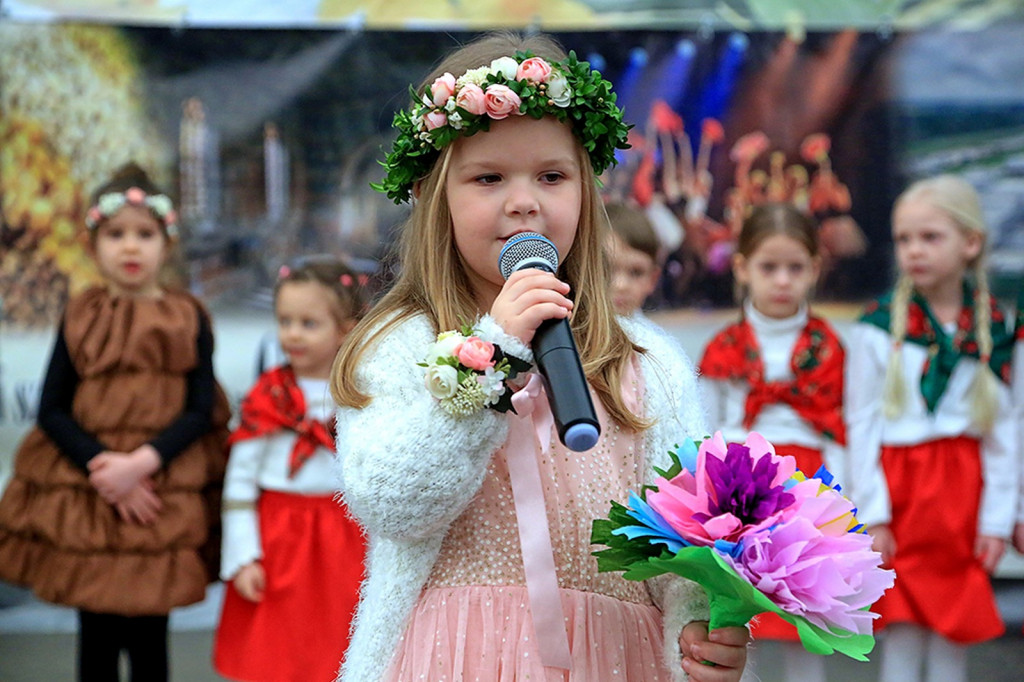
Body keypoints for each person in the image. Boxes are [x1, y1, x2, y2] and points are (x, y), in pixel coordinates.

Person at [330, 32, 750, 682]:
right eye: (489, 177)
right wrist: (491, 355)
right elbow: (392, 503)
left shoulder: (643, 361)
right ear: (433, 194)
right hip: (453, 657)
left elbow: (682, 543)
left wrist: (697, 632)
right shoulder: (401, 343)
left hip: (613, 660)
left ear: (587, 192)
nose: (524, 200)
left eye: (551, 177)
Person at [0, 162, 230, 681]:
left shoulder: (187, 315)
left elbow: (200, 410)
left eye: (144, 235)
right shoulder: (81, 313)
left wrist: (142, 465)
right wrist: (106, 470)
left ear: (166, 244)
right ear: (94, 244)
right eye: (116, 235)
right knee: (97, 636)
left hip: (159, 496)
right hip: (93, 497)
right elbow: (52, 408)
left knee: (150, 640)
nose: (130, 247)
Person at [846, 175, 1017, 682]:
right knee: (900, 627)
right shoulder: (876, 327)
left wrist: (997, 519)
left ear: (971, 242)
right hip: (902, 495)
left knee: (952, 629)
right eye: (904, 239)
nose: (914, 250)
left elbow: (1009, 431)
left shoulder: (1001, 329)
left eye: (930, 237)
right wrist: (871, 514)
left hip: (964, 492)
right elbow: (861, 423)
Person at [698, 201, 846, 682]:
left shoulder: (829, 347)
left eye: (795, 268)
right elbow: (708, 432)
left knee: (805, 614)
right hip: (743, 488)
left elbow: (843, 428)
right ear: (742, 268)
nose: (782, 280)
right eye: (769, 267)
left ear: (815, 270)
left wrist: (845, 505)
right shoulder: (723, 348)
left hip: (810, 485)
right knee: (742, 617)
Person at [213, 260, 367, 682]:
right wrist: (243, 558)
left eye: (309, 323)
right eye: (285, 321)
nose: (293, 334)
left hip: (346, 541)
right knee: (277, 654)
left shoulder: (362, 395)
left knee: (343, 648)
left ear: (347, 329)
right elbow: (240, 482)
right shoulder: (268, 397)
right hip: (278, 540)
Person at [604, 201, 663, 318]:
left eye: (636, 273)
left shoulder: (651, 336)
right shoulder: (565, 332)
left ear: (653, 279)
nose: (621, 285)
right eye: (605, 269)